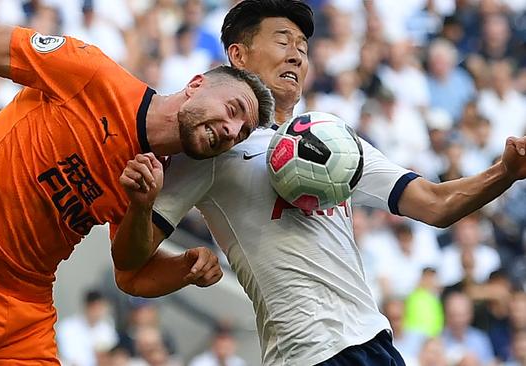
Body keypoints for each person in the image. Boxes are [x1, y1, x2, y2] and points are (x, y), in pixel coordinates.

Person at [110, 0, 526, 365]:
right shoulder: (212, 145)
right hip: (306, 352)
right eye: (282, 40)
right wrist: (154, 223)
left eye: (303, 48)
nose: (296, 55)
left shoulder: (331, 140)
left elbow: (435, 205)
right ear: (238, 54)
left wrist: (504, 171)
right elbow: (130, 268)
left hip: (376, 343)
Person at [0, 21, 275, 365]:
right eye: (234, 109)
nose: (230, 129)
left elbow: (130, 273)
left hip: (22, 310)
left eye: (240, 133)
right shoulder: (91, 74)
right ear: (195, 84)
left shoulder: (159, 178)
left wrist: (180, 265)